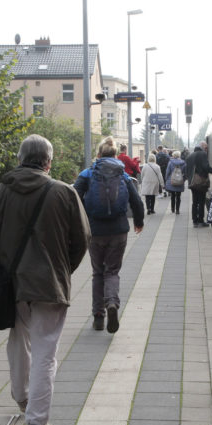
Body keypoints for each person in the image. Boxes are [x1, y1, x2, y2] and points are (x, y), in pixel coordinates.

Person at [0, 135, 90, 425]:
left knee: (18, 341)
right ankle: (37, 423)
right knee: (45, 352)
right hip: (49, 285)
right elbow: (82, 238)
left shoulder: (0, 193)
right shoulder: (64, 192)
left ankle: (22, 398)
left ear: (20, 158)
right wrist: (63, 269)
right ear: (48, 162)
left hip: (12, 283)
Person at [74, 136, 144, 334]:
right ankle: (112, 303)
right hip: (118, 230)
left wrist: (77, 225)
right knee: (112, 271)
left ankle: (98, 317)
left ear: (98, 154)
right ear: (115, 155)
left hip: (94, 231)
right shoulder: (122, 174)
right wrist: (139, 222)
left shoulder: (87, 174)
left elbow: (74, 199)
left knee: (98, 273)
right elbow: (137, 202)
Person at [185, 141, 212, 228]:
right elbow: (206, 167)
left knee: (194, 202)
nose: (206, 149)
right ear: (202, 147)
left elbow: (186, 171)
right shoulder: (202, 154)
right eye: (206, 147)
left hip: (192, 183)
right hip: (201, 182)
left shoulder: (189, 156)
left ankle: (194, 221)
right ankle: (201, 220)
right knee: (201, 202)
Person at [164, 150, 187, 214]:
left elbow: (167, 172)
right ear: (179, 155)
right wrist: (183, 179)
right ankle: (177, 210)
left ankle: (172, 209)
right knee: (178, 196)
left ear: (173, 155)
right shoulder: (183, 163)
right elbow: (185, 173)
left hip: (172, 181)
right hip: (180, 181)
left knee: (173, 196)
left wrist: (166, 179)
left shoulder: (170, 162)